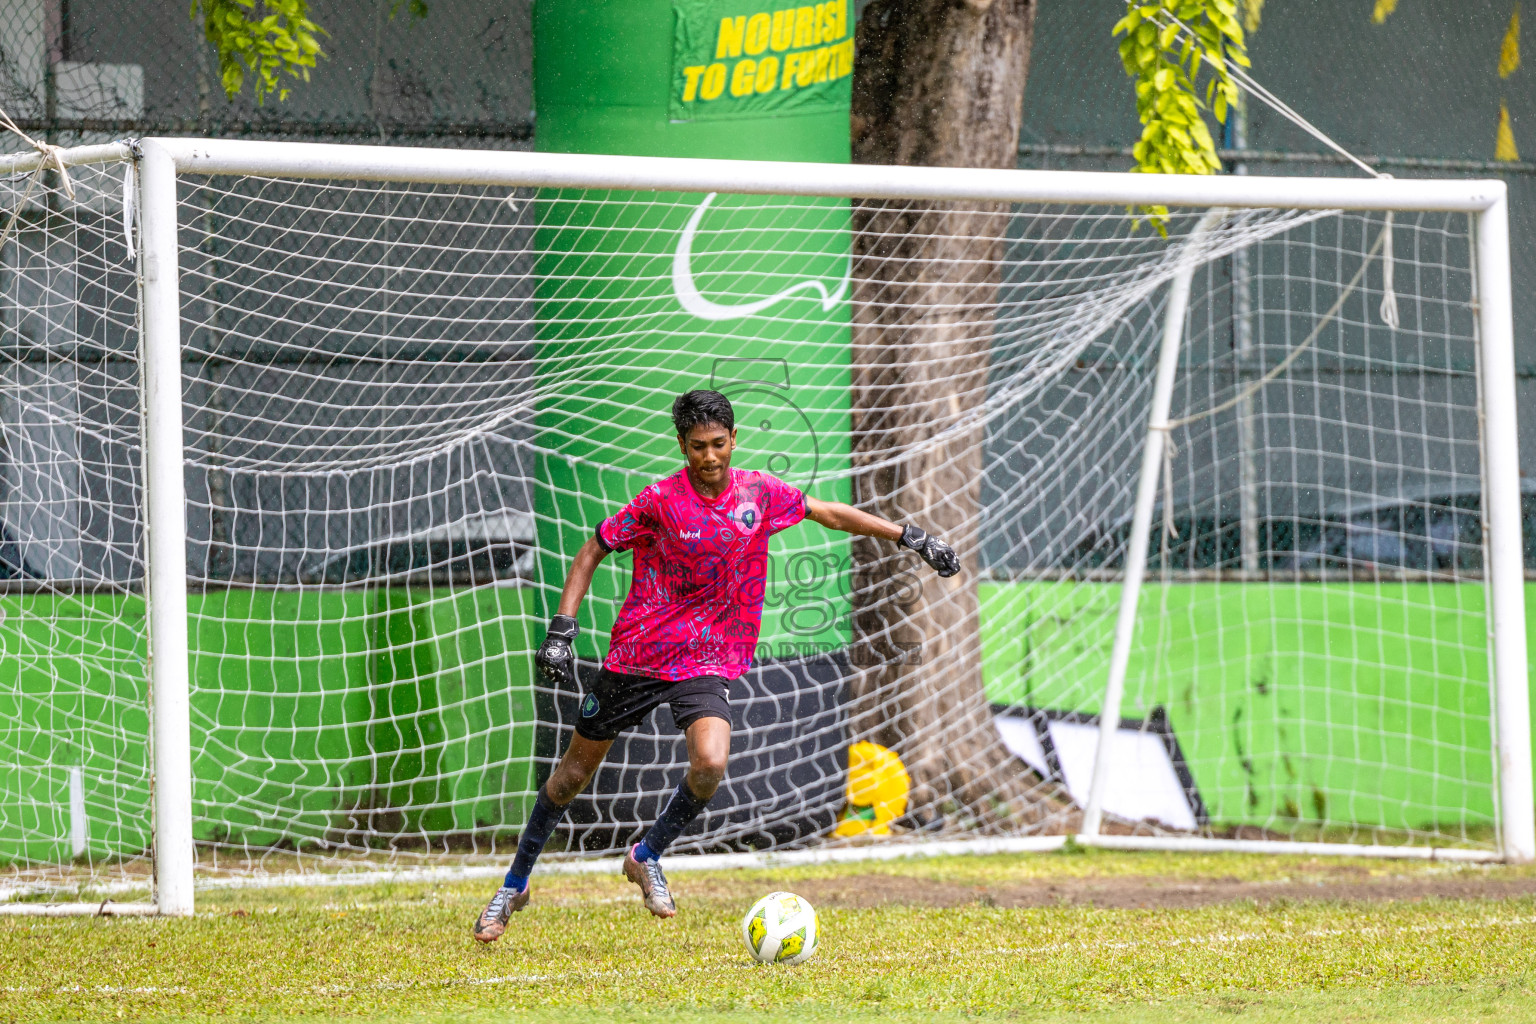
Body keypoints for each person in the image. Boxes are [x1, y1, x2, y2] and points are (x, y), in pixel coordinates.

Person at [473, 389, 958, 941]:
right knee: (570, 778)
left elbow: (829, 514)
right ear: (682, 446)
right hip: (639, 653)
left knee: (709, 763)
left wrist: (909, 537)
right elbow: (591, 551)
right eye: (698, 446)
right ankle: (514, 884)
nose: (710, 456)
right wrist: (563, 629)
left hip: (706, 658)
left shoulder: (759, 491)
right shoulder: (659, 501)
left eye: (719, 444)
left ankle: (646, 855)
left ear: (734, 439)